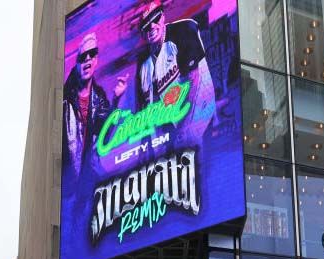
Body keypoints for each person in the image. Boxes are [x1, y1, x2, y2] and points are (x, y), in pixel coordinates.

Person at [116, 0, 216, 151]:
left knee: (205, 167)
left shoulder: (183, 30)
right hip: (170, 133)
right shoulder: (143, 63)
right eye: (146, 25)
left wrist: (184, 128)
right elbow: (144, 108)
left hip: (199, 116)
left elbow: (194, 81)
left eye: (155, 19)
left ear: (162, 17)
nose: (152, 27)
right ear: (142, 32)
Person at [62, 32, 117, 183]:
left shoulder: (99, 97)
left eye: (92, 54)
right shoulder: (64, 99)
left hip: (88, 178)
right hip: (68, 185)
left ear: (96, 60)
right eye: (82, 57)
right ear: (77, 64)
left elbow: (105, 134)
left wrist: (116, 99)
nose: (87, 59)